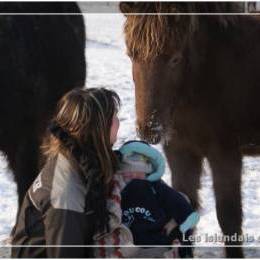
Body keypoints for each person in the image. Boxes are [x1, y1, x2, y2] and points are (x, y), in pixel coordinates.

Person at [11, 87, 121, 258]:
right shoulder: (65, 195)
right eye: (113, 117)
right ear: (97, 128)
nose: (118, 122)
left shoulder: (78, 156)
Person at [117, 140, 200, 257]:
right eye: (128, 174)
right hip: (125, 247)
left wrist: (178, 236)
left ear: (149, 172)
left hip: (157, 247)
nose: (133, 176)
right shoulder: (116, 191)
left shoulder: (158, 189)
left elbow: (186, 212)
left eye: (138, 173)